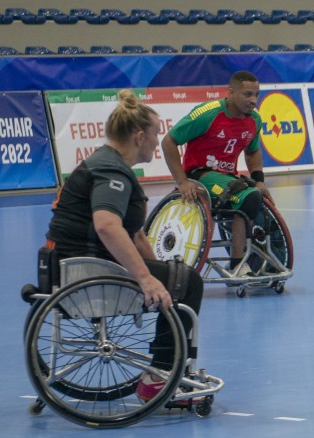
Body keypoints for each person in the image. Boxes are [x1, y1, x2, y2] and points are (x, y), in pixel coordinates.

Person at [46, 89, 204, 401]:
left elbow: (136, 236)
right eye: (156, 134)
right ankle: (160, 376)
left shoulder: (110, 164)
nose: (158, 142)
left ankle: (163, 370)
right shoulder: (111, 169)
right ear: (138, 135)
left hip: (76, 262)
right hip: (84, 271)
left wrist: (164, 273)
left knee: (180, 278)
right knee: (192, 283)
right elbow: (106, 225)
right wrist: (146, 277)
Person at [162, 70, 270, 275]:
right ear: (231, 92)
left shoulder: (254, 120)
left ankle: (257, 260)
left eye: (256, 94)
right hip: (200, 175)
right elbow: (169, 141)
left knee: (256, 197)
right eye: (248, 94)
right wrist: (182, 181)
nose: (253, 100)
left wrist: (259, 180)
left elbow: (253, 150)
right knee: (247, 197)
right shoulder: (208, 113)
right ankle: (238, 263)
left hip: (227, 178)